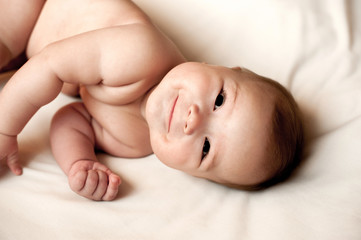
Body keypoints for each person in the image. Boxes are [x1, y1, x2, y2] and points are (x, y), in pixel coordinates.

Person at [0, 0, 304, 201]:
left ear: (193, 173)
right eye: (220, 100)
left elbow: (73, 120)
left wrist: (80, 161)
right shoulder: (142, 53)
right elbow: (50, 65)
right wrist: (5, 129)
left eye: (206, 148)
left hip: (28, 52)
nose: (193, 119)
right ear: (223, 68)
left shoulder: (136, 142)